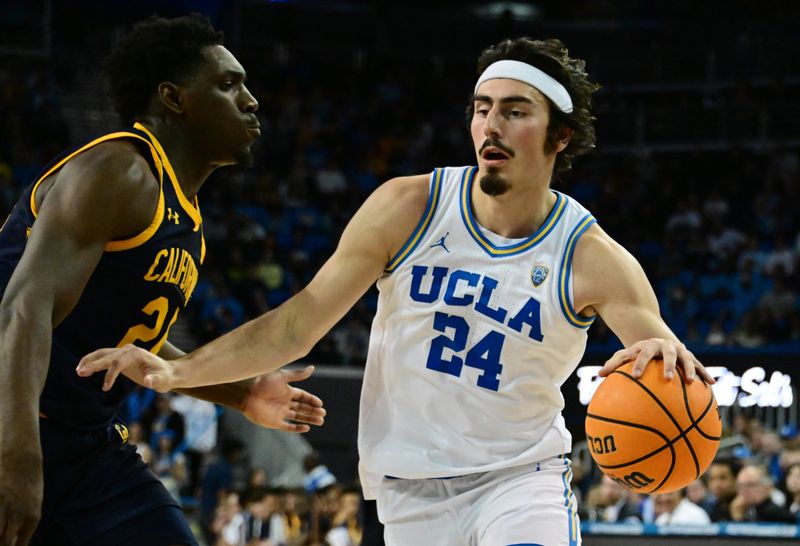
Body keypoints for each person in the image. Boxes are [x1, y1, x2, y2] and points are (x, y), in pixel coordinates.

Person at [79, 37, 715, 545]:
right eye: (481, 107)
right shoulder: (408, 206)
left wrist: (667, 358)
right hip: (404, 489)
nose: (491, 124)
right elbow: (297, 324)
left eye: (515, 111)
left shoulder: (593, 256)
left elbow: (659, 351)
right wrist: (176, 371)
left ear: (560, 137)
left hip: (521, 483)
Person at [0, 14, 325, 546]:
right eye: (228, 84)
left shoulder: (186, 219)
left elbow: (139, 347)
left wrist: (243, 393)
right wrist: (15, 452)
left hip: (88, 452)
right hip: (13, 421)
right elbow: (22, 307)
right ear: (174, 99)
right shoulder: (118, 170)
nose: (251, 99)